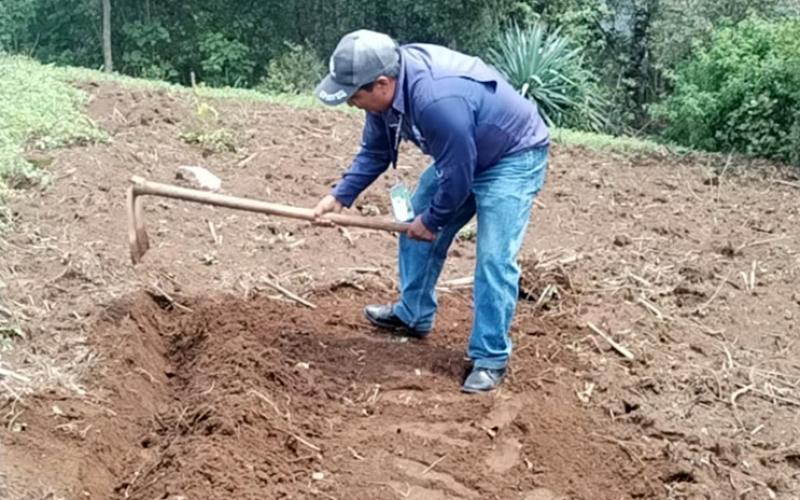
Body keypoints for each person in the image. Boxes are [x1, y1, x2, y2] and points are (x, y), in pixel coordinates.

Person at [312, 29, 549, 393]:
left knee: (493, 258)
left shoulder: (436, 100)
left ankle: (490, 357)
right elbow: (376, 151)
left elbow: (458, 174)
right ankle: (413, 313)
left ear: (381, 83)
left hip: (512, 157)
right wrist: (341, 196)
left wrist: (433, 221)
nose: (350, 103)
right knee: (412, 222)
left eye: (354, 96)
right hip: (465, 152)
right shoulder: (386, 94)